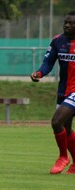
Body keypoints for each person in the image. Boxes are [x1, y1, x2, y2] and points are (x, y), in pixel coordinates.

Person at [30, 11, 75, 175]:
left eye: (71, 23)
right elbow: (48, 63)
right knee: (66, 128)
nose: (67, 25)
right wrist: (39, 73)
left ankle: (63, 157)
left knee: (56, 122)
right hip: (64, 90)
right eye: (66, 22)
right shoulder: (58, 41)